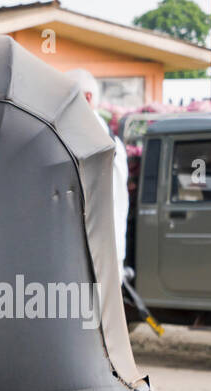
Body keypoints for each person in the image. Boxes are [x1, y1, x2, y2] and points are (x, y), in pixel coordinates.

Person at [65, 69, 129, 275]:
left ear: (87, 97)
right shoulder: (106, 136)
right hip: (102, 249)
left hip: (95, 253)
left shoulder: (93, 137)